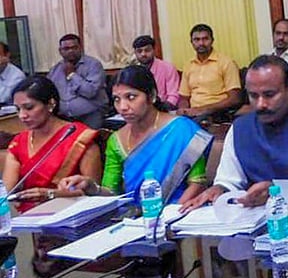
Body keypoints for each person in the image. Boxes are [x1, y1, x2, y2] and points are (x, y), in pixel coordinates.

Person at [180, 56, 288, 211]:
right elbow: (229, 180)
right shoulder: (240, 128)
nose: (260, 104)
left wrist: (278, 193)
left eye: (269, 95)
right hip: (252, 221)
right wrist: (219, 190)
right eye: (253, 96)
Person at [59, 66, 211, 205]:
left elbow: (197, 183)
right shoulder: (116, 140)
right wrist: (91, 187)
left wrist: (167, 215)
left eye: (131, 97)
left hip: (178, 213)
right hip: (134, 218)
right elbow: (111, 192)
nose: (122, 107)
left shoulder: (181, 129)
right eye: (117, 99)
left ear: (151, 96)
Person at [2, 77, 101, 212]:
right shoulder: (19, 142)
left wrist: (50, 194)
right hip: (27, 218)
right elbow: (8, 190)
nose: (22, 115)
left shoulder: (79, 137)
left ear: (50, 104)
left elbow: (93, 191)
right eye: (18, 109)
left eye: (29, 108)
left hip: (72, 213)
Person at [177, 24, 242, 119]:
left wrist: (203, 109)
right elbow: (184, 97)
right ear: (191, 42)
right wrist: (183, 110)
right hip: (193, 113)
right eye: (197, 40)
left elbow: (235, 99)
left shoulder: (226, 62)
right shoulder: (188, 65)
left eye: (205, 39)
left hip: (216, 113)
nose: (201, 43)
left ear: (212, 40)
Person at [46, 34, 109, 129]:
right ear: (60, 51)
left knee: (87, 139)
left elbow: (90, 92)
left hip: (91, 114)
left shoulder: (94, 65)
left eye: (74, 47)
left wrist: (72, 75)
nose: (71, 51)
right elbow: (49, 94)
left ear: (80, 48)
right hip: (63, 117)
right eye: (66, 49)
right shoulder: (55, 70)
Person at [133, 35, 180, 108]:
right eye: (139, 51)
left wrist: (163, 109)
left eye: (147, 50)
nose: (143, 54)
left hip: (164, 109)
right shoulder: (133, 71)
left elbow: (173, 96)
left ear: (154, 50)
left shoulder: (168, 68)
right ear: (135, 53)